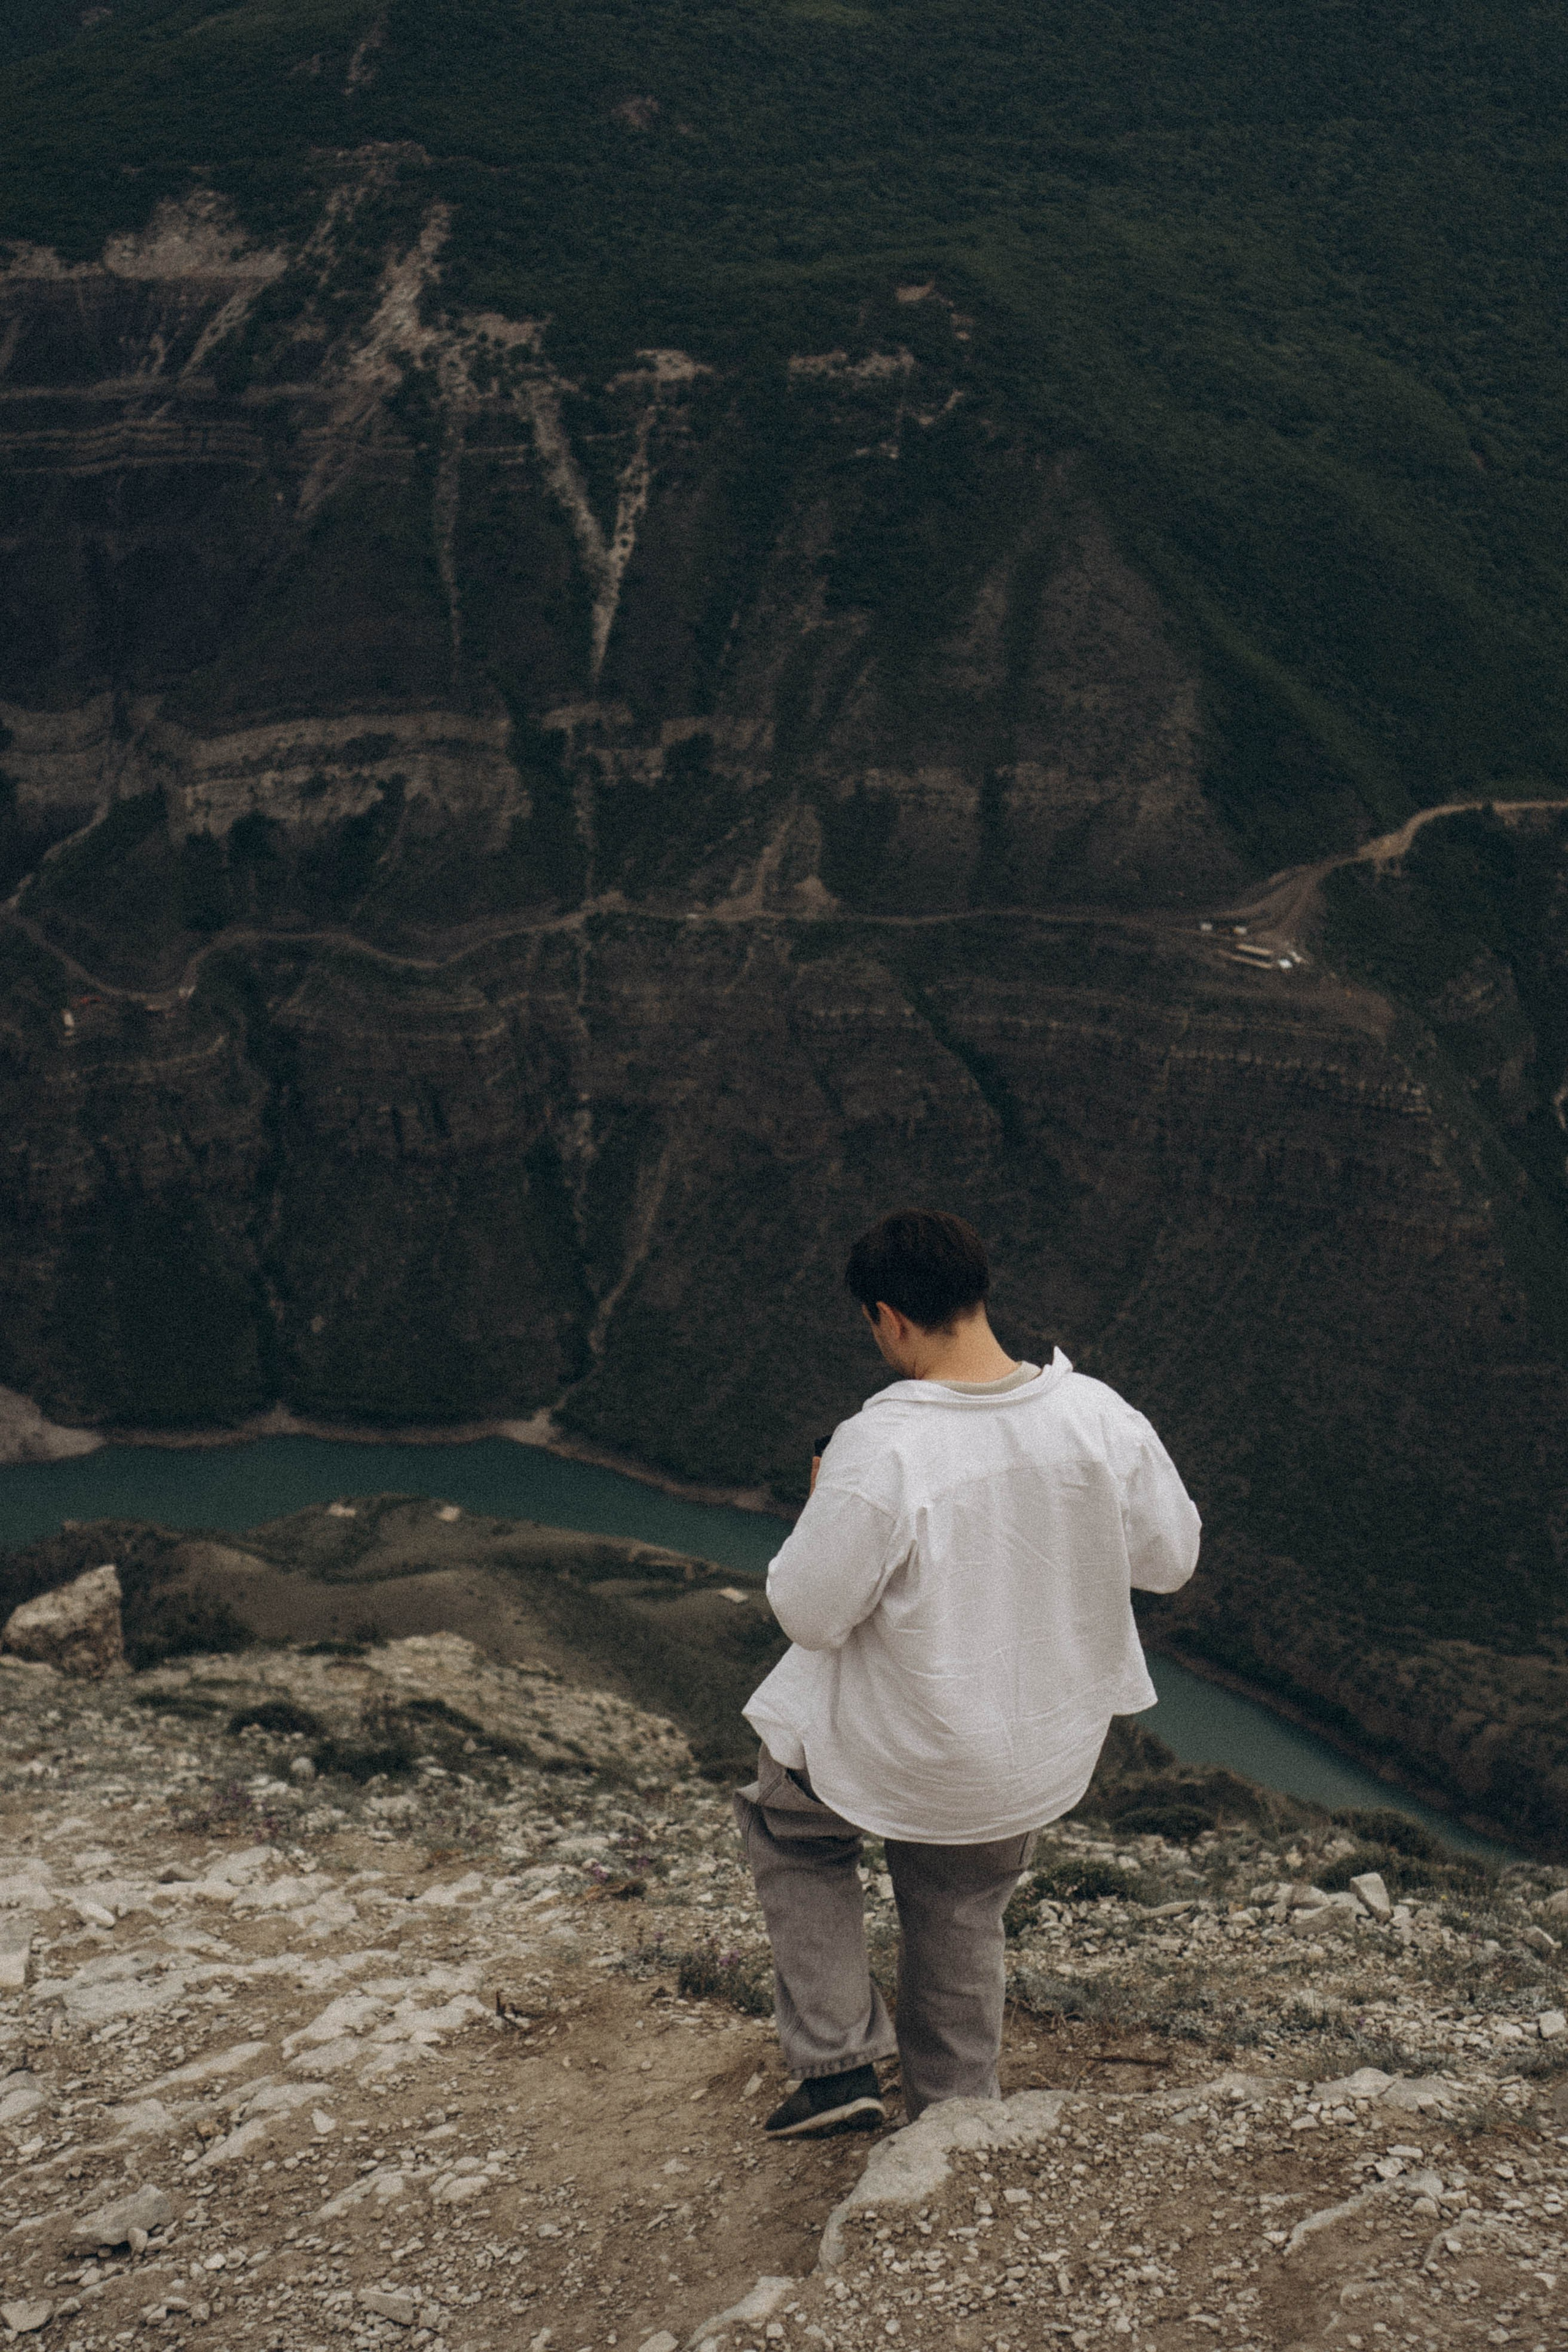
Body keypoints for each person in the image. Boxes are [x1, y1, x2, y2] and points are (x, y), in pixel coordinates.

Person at [735, 1208, 1200, 2139]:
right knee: (959, 1902)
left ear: (889, 1319)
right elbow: (1172, 1559)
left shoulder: (884, 1442)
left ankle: (835, 2069)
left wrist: (825, 1503)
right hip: (1029, 1756)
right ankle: (954, 2118)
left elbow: (812, 1612)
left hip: (906, 1748)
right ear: (979, 1293)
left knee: (790, 1829)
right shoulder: (1097, 1414)